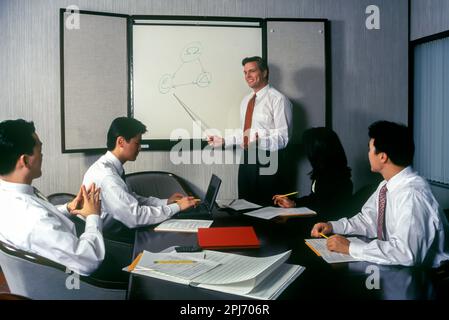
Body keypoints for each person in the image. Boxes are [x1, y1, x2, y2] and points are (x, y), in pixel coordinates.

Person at [311, 121, 449, 267]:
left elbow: (406, 253)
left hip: (429, 276)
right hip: (399, 269)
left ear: (382, 157)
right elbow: (368, 220)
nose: (368, 154)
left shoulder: (412, 195)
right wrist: (333, 226)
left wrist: (350, 247)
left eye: (370, 149)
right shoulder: (386, 186)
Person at [0, 119, 104, 276]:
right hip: (73, 285)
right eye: (39, 150)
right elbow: (87, 261)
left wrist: (68, 208)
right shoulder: (35, 220)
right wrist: (93, 216)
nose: (42, 156)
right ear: (26, 160)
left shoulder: (9, 197)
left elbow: (42, 222)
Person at [82, 117, 197, 235]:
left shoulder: (109, 167)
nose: (140, 148)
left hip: (114, 231)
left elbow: (132, 199)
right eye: (137, 143)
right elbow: (135, 216)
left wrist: (166, 202)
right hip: (108, 240)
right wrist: (177, 207)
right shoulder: (108, 177)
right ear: (121, 142)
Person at [207, 56, 293, 205]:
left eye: (252, 71)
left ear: (265, 72)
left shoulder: (279, 100)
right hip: (247, 159)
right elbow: (244, 132)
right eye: (245, 72)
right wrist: (224, 141)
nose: (247, 76)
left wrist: (259, 141)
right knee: (245, 204)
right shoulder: (246, 100)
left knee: (268, 209)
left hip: (269, 161)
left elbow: (283, 138)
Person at [273, 127, 353, 221]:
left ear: (318, 151)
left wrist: (295, 207)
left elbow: (323, 208)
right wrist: (293, 203)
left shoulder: (337, 179)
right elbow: (315, 199)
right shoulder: (324, 172)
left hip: (326, 227)